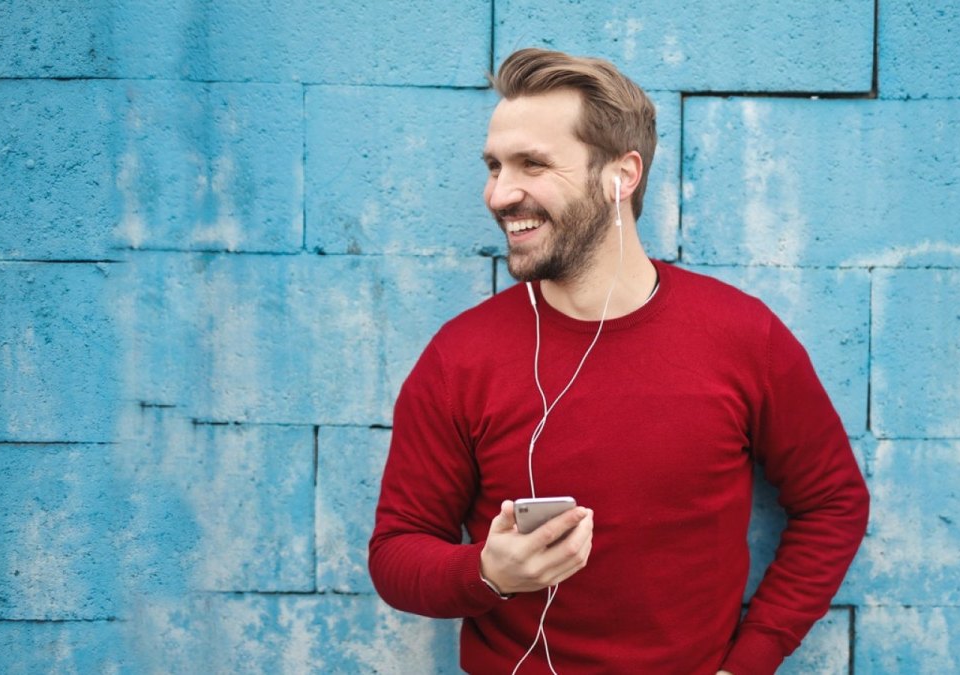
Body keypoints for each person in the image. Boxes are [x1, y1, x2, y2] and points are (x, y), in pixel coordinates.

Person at [369, 47, 869, 675]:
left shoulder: (742, 336)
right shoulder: (459, 358)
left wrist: (753, 657)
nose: (500, 194)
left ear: (621, 175)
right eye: (495, 166)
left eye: (533, 164)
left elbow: (833, 502)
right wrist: (487, 573)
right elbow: (395, 553)